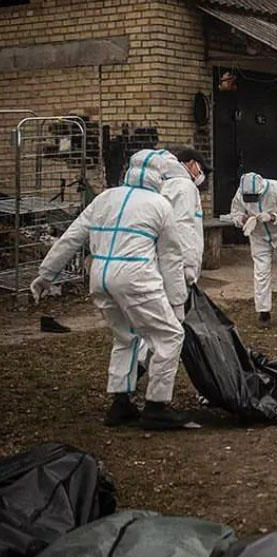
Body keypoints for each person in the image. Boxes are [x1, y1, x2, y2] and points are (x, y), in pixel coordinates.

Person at [30, 149, 194, 430]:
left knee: (125, 337)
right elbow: (170, 258)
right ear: (160, 175)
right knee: (170, 335)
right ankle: (156, 406)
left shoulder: (106, 197)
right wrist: (177, 301)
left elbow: (73, 235)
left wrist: (45, 275)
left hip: (100, 278)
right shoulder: (160, 204)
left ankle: (120, 404)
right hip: (136, 277)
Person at [229, 173, 277, 326]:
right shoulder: (240, 193)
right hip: (258, 234)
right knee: (261, 272)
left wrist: (272, 217)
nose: (251, 200)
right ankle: (263, 313)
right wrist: (243, 219)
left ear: (261, 190)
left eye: (254, 197)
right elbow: (235, 213)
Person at [163, 147, 210, 286]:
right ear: (190, 164)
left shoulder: (166, 183)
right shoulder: (185, 186)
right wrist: (189, 266)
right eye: (200, 168)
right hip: (180, 263)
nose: (201, 174)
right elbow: (183, 225)